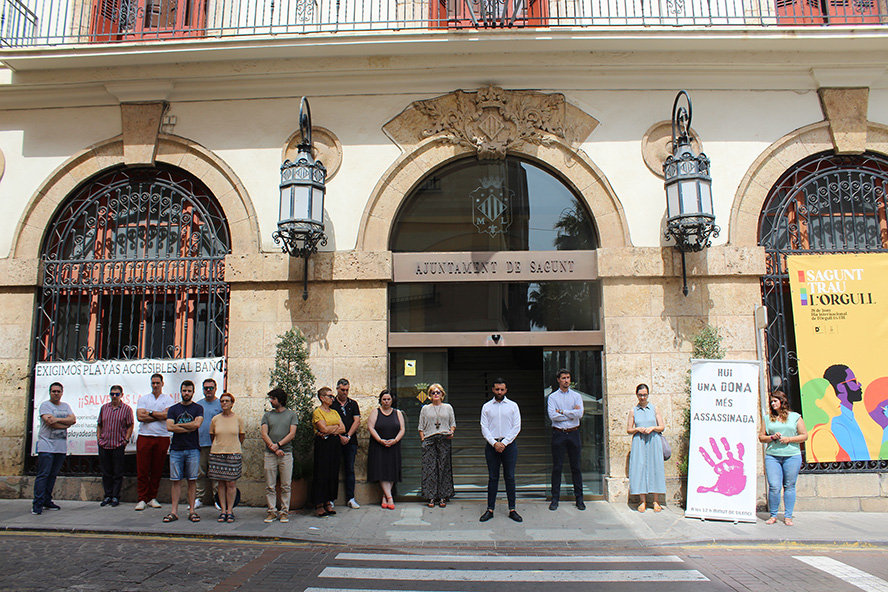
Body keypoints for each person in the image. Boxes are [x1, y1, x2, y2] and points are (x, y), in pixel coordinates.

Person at [759, 390, 808, 526]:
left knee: (789, 485)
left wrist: (789, 439)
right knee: (774, 486)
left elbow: (804, 435)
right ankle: (773, 515)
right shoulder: (767, 418)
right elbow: (761, 437)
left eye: (775, 401)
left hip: (792, 456)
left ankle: (788, 516)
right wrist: (771, 437)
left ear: (782, 401)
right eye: (771, 402)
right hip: (773, 456)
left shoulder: (795, 417)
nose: (773, 404)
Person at [479, 378, 522, 523]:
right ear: (493, 390)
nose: (499, 392)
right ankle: (490, 509)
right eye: (497, 389)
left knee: (510, 477)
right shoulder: (486, 407)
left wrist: (503, 443)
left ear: (506, 390)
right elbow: (484, 427)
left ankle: (512, 509)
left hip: (509, 445)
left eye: (502, 389)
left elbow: (516, 427)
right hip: (492, 446)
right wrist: (494, 443)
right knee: (493, 477)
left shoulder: (513, 406)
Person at [32, 382, 76, 515]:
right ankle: (37, 504)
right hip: (46, 446)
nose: (56, 394)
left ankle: (47, 500)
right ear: (50, 392)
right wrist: (65, 424)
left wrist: (56, 420)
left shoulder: (65, 406)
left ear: (62, 393)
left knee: (52, 476)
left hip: (60, 447)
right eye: (53, 391)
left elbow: (73, 420)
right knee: (43, 475)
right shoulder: (45, 405)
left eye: (58, 391)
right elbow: (50, 422)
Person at [164, 380, 204, 523]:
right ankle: (174, 511)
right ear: (180, 391)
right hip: (176, 449)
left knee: (192, 480)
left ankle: (192, 510)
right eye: (184, 391)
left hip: (193, 449)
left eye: (189, 391)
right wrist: (189, 427)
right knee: (176, 481)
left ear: (193, 392)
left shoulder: (198, 408)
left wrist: (179, 426)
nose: (186, 393)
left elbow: (197, 424)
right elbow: (170, 427)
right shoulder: (173, 409)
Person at [547, 368, 585, 510]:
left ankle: (579, 499)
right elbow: (552, 416)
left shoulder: (576, 396)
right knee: (557, 467)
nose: (566, 380)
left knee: (576, 467)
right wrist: (571, 413)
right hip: (559, 434)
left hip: (574, 433)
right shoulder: (553, 397)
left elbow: (579, 414)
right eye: (563, 378)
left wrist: (562, 411)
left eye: (568, 377)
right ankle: (555, 499)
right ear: (558, 380)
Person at [135, 373, 174, 511]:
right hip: (145, 436)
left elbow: (168, 415)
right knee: (143, 469)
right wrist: (159, 415)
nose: (155, 385)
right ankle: (142, 498)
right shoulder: (144, 399)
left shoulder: (168, 399)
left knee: (157, 469)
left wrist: (150, 413)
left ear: (162, 384)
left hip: (162, 436)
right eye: (153, 383)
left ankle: (152, 497)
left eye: (158, 383)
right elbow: (140, 417)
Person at [261, 388, 298, 523]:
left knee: (286, 485)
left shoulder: (291, 415)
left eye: (273, 398)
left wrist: (279, 445)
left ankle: (284, 512)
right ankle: (271, 511)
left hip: (286, 453)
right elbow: (264, 433)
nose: (271, 401)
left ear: (280, 400)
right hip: (270, 454)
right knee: (270, 485)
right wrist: (274, 447)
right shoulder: (267, 415)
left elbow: (292, 434)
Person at [627, 383, 666, 513]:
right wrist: (637, 429)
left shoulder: (655, 409)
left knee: (655, 467)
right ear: (636, 395)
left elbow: (662, 426)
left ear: (648, 394)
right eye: (640, 395)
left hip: (653, 440)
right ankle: (642, 500)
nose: (642, 397)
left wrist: (653, 428)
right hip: (639, 441)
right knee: (640, 468)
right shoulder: (634, 411)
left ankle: (656, 500)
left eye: (645, 395)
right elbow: (629, 429)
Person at [418, 383, 456, 508]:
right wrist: (423, 439)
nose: (435, 394)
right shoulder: (425, 409)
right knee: (429, 469)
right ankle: (431, 497)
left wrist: (451, 433)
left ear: (442, 394)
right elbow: (421, 426)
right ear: (429, 395)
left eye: (438, 392)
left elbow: (452, 423)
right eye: (433, 392)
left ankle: (443, 496)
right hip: (429, 439)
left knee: (444, 468)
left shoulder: (448, 407)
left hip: (443, 438)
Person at [209, 392, 245, 523]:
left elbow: (241, 436)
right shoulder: (215, 419)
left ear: (232, 403)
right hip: (217, 453)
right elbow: (212, 435)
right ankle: (223, 510)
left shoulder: (238, 419)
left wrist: (233, 447)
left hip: (233, 453)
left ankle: (230, 510)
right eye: (222, 401)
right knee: (221, 483)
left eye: (227, 401)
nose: (224, 403)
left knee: (231, 483)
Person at [367, 389, 405, 510]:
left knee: (391, 471)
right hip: (379, 446)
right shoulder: (375, 412)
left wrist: (395, 440)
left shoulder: (398, 413)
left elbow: (402, 429)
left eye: (388, 399)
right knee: (382, 471)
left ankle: (385, 496)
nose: (386, 401)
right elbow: (371, 427)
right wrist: (380, 440)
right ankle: (390, 498)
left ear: (392, 400)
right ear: (380, 400)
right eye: (384, 399)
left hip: (394, 445)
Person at [96, 384, 134, 508]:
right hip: (105, 444)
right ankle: (107, 495)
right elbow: (99, 424)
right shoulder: (104, 408)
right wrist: (99, 438)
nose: (114, 396)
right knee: (106, 472)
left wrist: (126, 439)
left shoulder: (126, 409)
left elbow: (130, 425)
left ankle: (115, 496)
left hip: (118, 444)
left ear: (121, 395)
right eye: (112, 394)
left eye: (117, 394)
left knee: (118, 473)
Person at [312, 386, 345, 517]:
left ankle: (329, 501)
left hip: (334, 444)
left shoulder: (334, 412)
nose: (332, 398)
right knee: (322, 472)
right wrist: (334, 428)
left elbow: (343, 428)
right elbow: (323, 429)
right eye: (330, 396)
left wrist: (330, 429)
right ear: (322, 398)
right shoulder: (317, 412)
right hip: (323, 444)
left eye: (332, 396)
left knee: (333, 472)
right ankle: (319, 503)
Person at [331, 378, 362, 509]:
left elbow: (357, 421)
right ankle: (330, 498)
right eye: (342, 390)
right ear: (337, 389)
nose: (344, 392)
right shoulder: (332, 404)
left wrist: (348, 436)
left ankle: (350, 498)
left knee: (350, 469)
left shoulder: (353, 404)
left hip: (350, 441)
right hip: (335, 441)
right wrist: (339, 436)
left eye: (347, 390)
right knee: (333, 469)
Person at [196, 378, 223, 509]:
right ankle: (198, 498)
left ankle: (217, 499)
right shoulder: (198, 405)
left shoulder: (220, 405)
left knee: (216, 473)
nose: (208, 390)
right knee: (200, 473)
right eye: (206, 388)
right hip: (200, 444)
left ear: (215, 389)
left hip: (215, 444)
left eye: (210, 388)